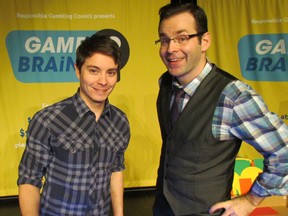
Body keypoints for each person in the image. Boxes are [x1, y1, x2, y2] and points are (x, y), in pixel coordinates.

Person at [153, 2, 288, 216]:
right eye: (164, 39)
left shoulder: (233, 96)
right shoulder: (166, 84)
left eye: (182, 38)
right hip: (162, 208)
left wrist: (251, 200)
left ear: (204, 41)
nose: (171, 49)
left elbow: (283, 151)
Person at [17, 34, 130, 216]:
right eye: (93, 71)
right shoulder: (48, 120)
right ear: (78, 71)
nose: (103, 81)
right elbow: (29, 180)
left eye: (111, 72)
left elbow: (116, 170)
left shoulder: (120, 121)